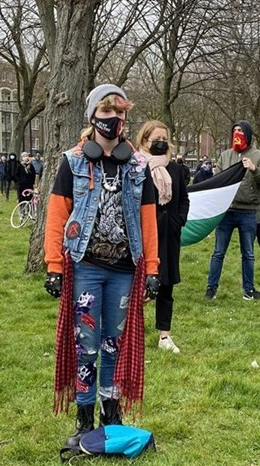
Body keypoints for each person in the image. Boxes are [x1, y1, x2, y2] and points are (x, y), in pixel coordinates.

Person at [43, 84, 159, 447]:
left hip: (125, 268)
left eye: (120, 114)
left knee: (114, 343)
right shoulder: (73, 161)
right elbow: (57, 216)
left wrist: (153, 268)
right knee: (86, 344)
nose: (114, 120)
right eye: (107, 113)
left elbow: (148, 220)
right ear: (93, 116)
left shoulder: (139, 166)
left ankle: (112, 411)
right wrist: (53, 266)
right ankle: (83, 415)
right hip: (86, 265)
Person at [137, 120, 190, 354]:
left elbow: (184, 200)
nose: (160, 143)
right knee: (138, 284)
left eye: (164, 139)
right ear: (144, 141)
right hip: (143, 234)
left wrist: (178, 221)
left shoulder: (175, 168)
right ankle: (133, 331)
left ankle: (164, 334)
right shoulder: (137, 167)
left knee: (166, 284)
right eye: (155, 139)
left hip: (169, 234)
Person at [204, 121, 260, 301]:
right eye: (234, 131)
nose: (237, 133)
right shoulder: (225, 156)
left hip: (248, 212)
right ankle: (211, 289)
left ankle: (249, 290)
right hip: (227, 212)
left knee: (248, 253)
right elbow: (216, 180)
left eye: (240, 131)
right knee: (218, 252)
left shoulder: (259, 156)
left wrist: (255, 170)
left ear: (248, 134)